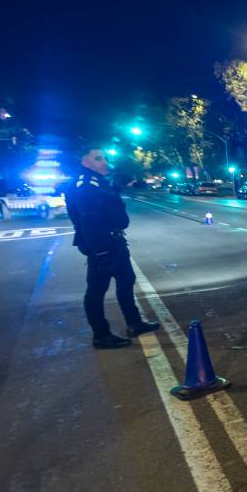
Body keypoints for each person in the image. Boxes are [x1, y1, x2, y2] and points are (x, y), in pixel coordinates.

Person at [65, 147, 159, 349]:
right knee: (96, 291)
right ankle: (101, 335)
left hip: (114, 241)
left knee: (126, 281)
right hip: (102, 244)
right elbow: (89, 221)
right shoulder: (86, 185)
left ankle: (134, 323)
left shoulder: (98, 181)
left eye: (105, 158)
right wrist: (101, 253)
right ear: (85, 161)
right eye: (98, 159)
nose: (104, 162)